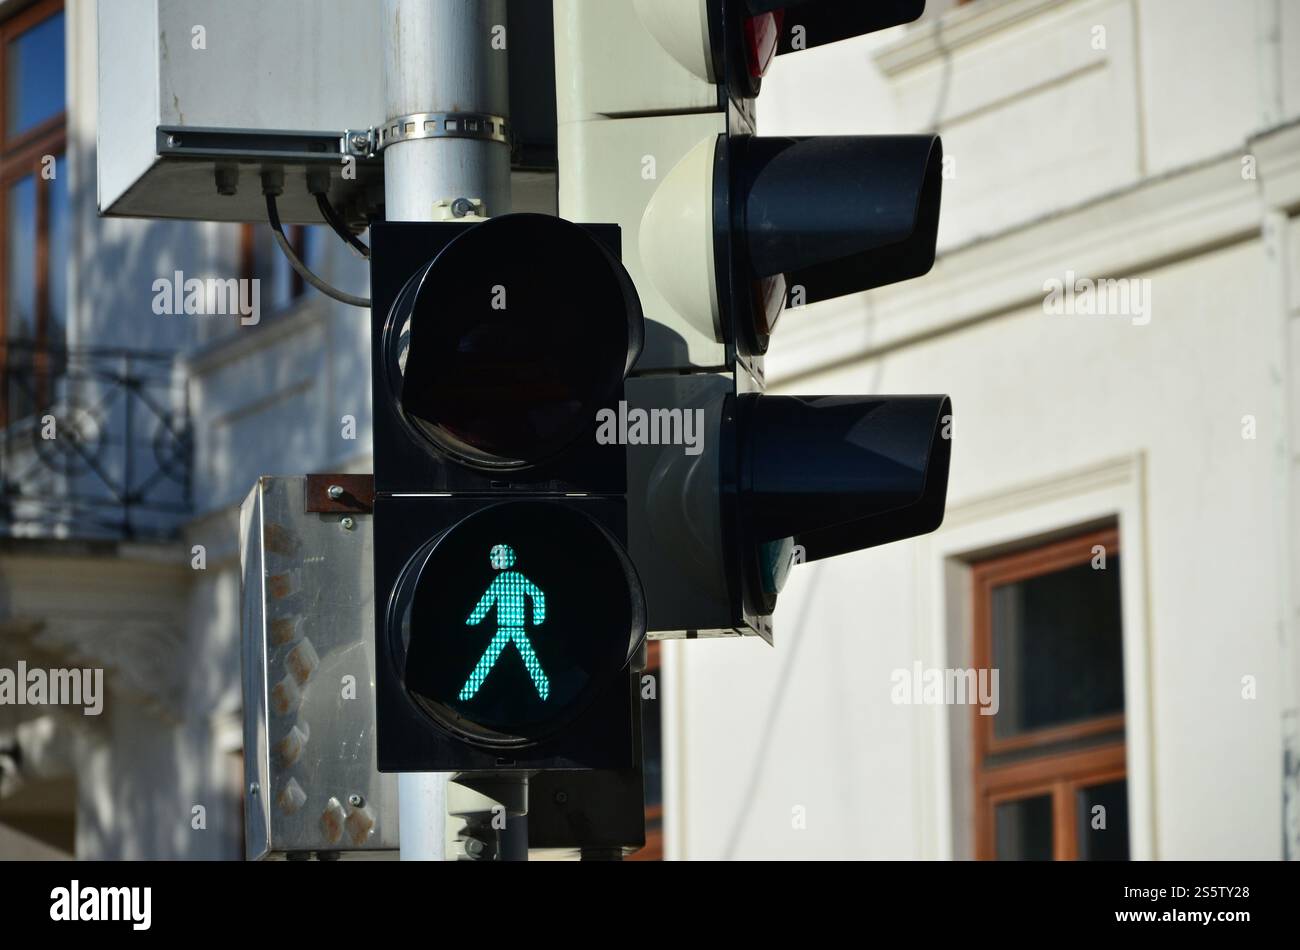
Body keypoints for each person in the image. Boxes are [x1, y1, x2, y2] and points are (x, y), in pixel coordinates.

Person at [459, 544, 549, 701]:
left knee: (489, 659)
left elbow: (486, 602)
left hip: (511, 628)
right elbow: (487, 601)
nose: (495, 560)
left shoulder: (506, 579)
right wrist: (537, 618)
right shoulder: (508, 579)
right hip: (510, 628)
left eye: (497, 557)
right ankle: (543, 691)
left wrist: (473, 620)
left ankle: (468, 692)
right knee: (526, 660)